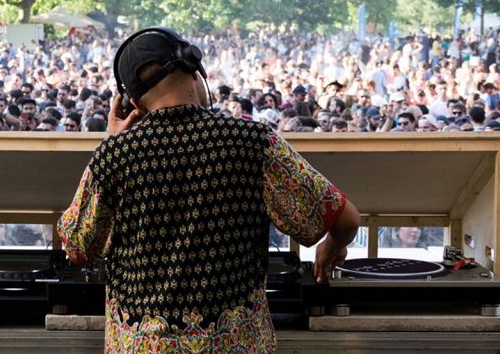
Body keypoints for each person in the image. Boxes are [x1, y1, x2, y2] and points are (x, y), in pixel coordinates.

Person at [58, 27, 359, 353]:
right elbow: (346, 220)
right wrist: (333, 247)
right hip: (236, 344)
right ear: (193, 65)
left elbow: (77, 245)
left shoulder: (115, 156)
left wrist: (112, 143)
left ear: (134, 105)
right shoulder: (253, 142)